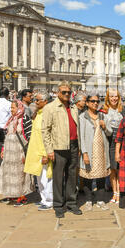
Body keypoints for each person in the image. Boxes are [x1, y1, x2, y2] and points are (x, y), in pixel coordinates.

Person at [42, 81, 81, 218]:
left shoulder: (74, 107)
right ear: (57, 92)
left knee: (72, 176)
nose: (66, 94)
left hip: (73, 145)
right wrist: (49, 150)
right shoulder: (50, 107)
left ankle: (71, 203)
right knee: (58, 178)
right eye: (63, 92)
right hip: (59, 147)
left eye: (69, 92)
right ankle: (58, 205)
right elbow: (45, 130)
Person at [0, 100, 33, 206]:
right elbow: (7, 136)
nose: (11, 110)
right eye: (10, 108)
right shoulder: (10, 120)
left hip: (19, 152)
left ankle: (22, 196)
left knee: (20, 174)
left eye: (13, 108)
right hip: (9, 153)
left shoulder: (24, 119)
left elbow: (29, 137)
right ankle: (12, 194)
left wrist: (26, 153)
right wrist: (3, 150)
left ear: (19, 108)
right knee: (9, 174)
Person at [79, 94, 111, 210]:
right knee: (88, 176)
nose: (95, 103)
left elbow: (110, 133)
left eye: (97, 101)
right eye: (92, 101)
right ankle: (88, 200)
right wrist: (84, 153)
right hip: (89, 150)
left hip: (101, 151)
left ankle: (100, 200)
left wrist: (105, 127)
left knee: (101, 176)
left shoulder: (103, 116)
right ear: (87, 103)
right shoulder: (83, 117)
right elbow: (81, 136)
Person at [24, 92, 53, 211]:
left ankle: (49, 201)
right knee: (39, 179)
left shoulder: (47, 114)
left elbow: (49, 135)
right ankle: (43, 199)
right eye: (35, 100)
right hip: (36, 151)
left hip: (44, 152)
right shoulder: (38, 114)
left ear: (45, 102)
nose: (35, 102)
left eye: (38, 100)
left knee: (46, 178)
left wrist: (47, 153)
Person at [102, 88, 125, 204]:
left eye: (116, 96)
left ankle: (120, 192)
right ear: (108, 98)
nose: (114, 99)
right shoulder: (103, 110)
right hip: (108, 141)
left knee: (119, 168)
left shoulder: (124, 110)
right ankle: (115, 192)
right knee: (112, 169)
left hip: (121, 141)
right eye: (111, 96)